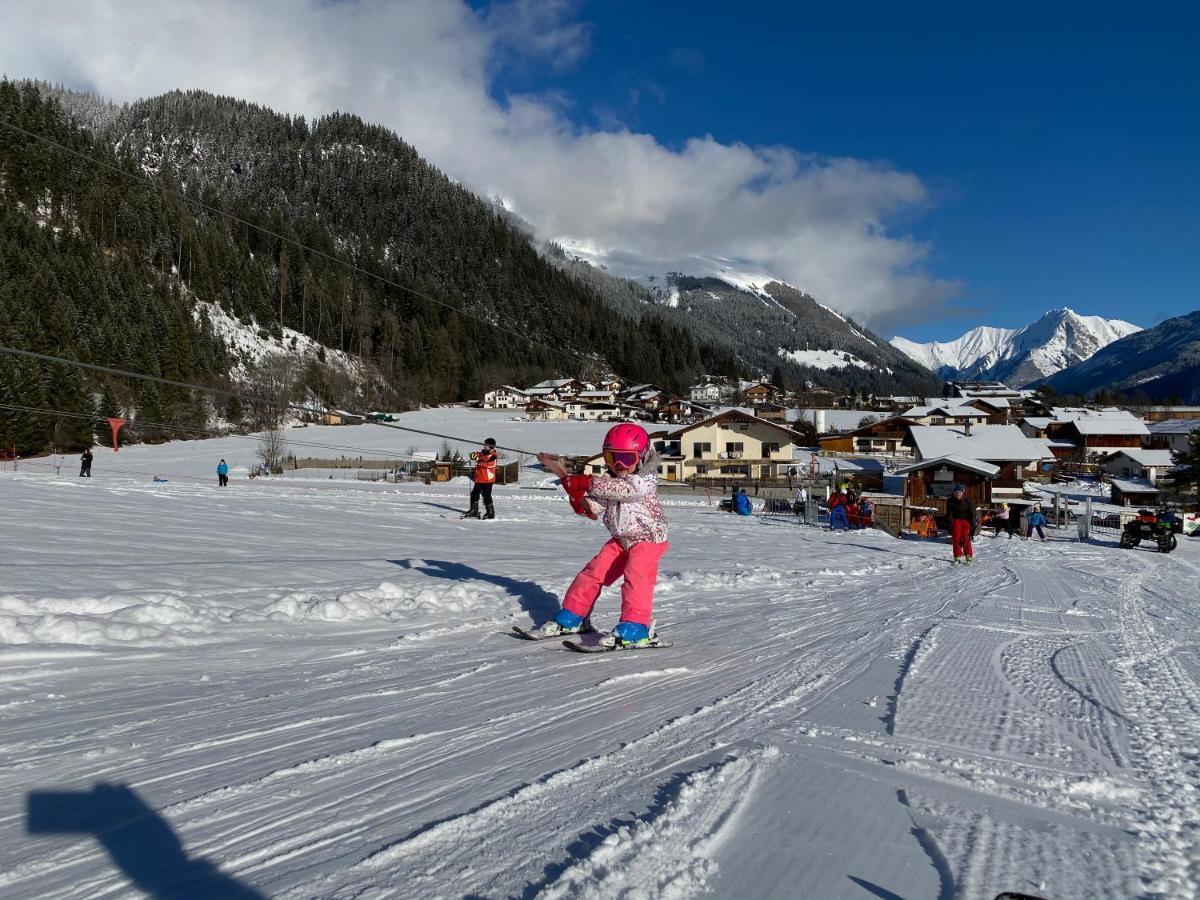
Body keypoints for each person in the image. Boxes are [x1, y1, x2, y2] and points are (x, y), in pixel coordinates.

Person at [533, 424, 669, 648]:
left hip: (648, 539)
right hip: (621, 539)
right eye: (611, 457)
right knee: (593, 572)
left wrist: (585, 482)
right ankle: (574, 615)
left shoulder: (644, 480)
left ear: (643, 456)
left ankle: (636, 627)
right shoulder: (611, 481)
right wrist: (576, 494)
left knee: (636, 576)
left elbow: (626, 490)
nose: (618, 465)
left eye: (626, 458)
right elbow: (593, 508)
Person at [463, 438, 498, 520]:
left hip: (487, 479)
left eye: (486, 445)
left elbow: (489, 464)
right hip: (479, 478)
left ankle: (490, 512)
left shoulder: (493, 455)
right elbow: (473, 455)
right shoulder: (482, 453)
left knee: (486, 495)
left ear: (490, 446)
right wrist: (473, 455)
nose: (484, 446)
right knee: (474, 493)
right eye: (484, 444)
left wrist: (479, 460)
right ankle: (474, 510)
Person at [947, 484, 976, 564]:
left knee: (965, 537)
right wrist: (950, 524)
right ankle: (957, 556)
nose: (957, 494)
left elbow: (973, 512)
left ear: (963, 493)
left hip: (966, 521)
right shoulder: (951, 501)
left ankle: (968, 555)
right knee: (956, 538)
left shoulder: (968, 500)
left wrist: (973, 524)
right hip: (956, 521)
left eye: (959, 492)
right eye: (956, 492)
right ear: (953, 493)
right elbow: (950, 514)